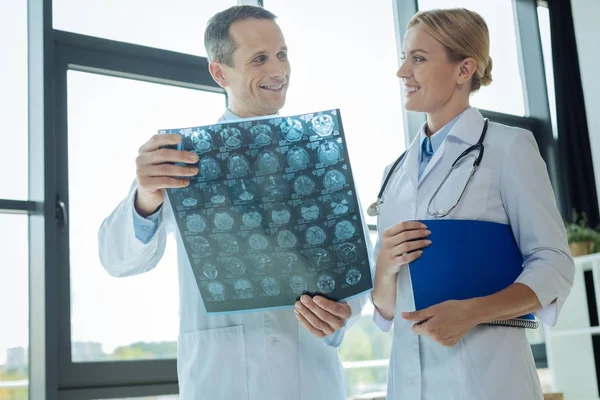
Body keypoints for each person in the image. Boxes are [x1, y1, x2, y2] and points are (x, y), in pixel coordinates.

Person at [98, 5, 372, 400]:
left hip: (310, 378)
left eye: (282, 54)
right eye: (259, 58)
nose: (279, 70)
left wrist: (342, 315)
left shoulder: (320, 155)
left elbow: (355, 264)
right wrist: (145, 198)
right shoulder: (181, 158)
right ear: (219, 72)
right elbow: (117, 260)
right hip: (220, 382)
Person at [370, 8, 575, 400]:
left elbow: (554, 264)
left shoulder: (508, 147)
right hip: (409, 383)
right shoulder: (394, 172)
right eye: (403, 58)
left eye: (418, 59)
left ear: (464, 69)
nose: (402, 73)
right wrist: (383, 269)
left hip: (489, 379)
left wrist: (472, 312)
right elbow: (384, 309)